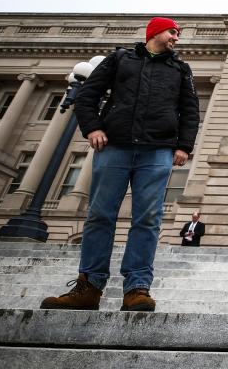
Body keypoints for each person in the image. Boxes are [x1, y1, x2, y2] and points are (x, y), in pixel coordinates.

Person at [41, 17, 198, 312]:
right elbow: (88, 96)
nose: (177, 38)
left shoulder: (180, 69)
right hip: (115, 146)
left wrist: (184, 146)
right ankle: (88, 287)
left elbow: (190, 111)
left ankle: (137, 288)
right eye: (172, 32)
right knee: (100, 215)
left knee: (148, 219)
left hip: (157, 151)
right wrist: (92, 128)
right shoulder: (119, 59)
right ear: (155, 33)